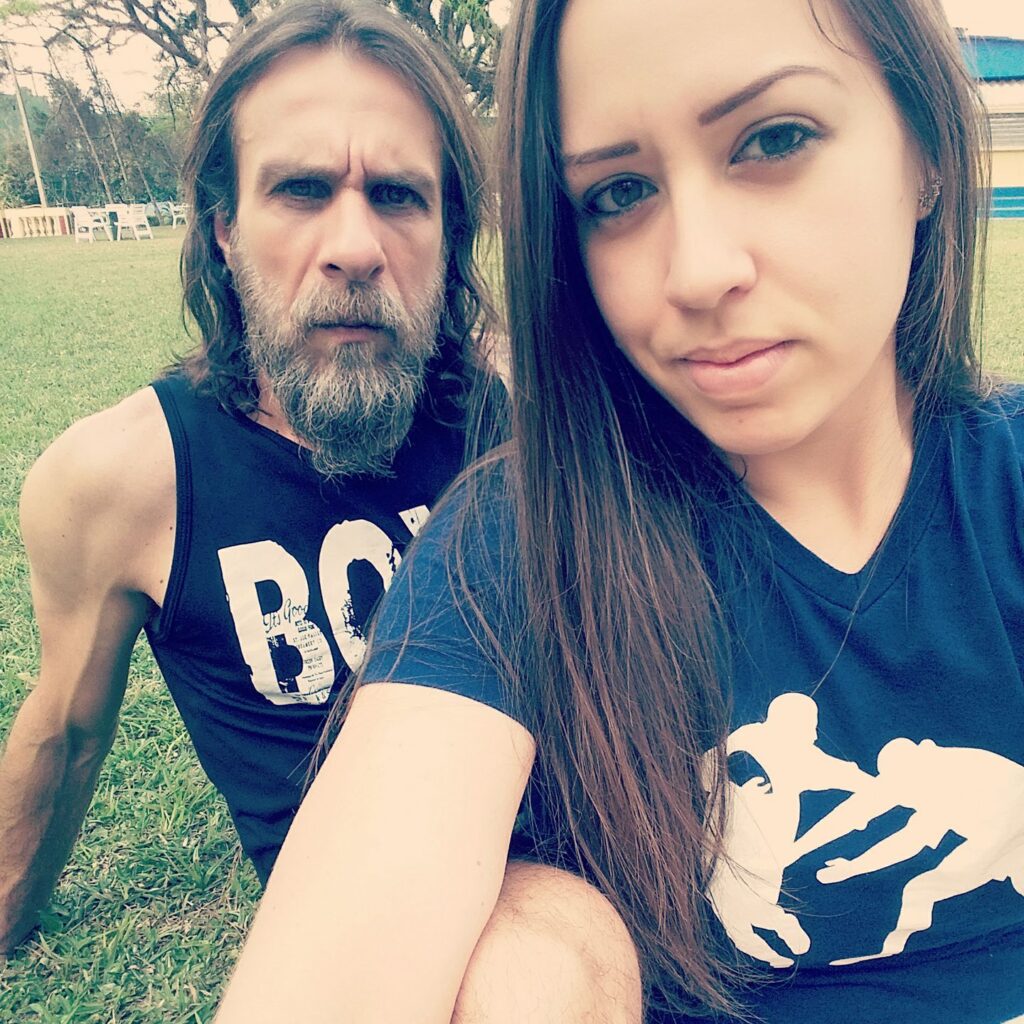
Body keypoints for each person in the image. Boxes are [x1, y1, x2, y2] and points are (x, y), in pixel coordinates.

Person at [214, 0, 1024, 1021]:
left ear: (926, 151)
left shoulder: (1004, 486)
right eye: (618, 194)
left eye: (774, 140)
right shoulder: (515, 547)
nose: (698, 272)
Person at [0, 0, 500, 957]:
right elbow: (66, 731)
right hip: (372, 929)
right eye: (302, 190)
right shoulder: (122, 481)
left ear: (448, 233)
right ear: (224, 228)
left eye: (399, 195)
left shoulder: (520, 413)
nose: (355, 247)